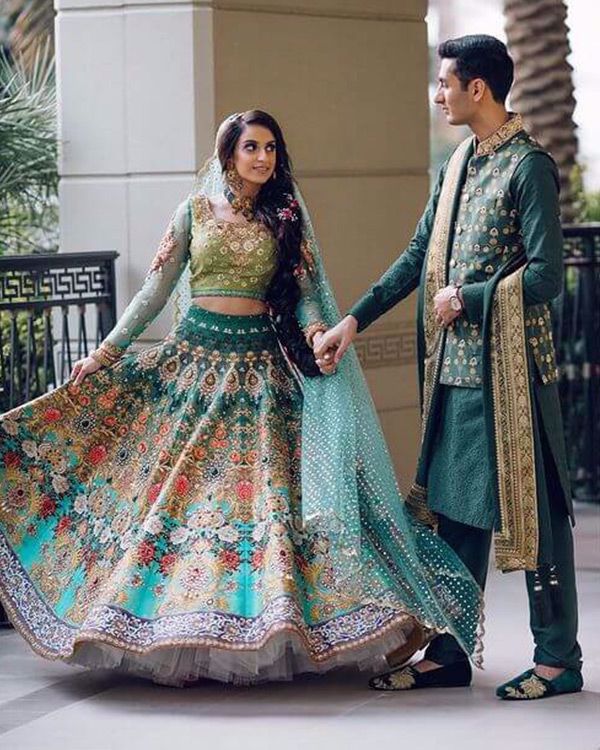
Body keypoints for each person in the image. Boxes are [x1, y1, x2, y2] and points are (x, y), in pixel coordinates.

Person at [0, 110, 483, 687]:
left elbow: (304, 297)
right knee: (173, 503)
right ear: (227, 153)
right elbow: (153, 293)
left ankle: (277, 628)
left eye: (271, 147)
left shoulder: (285, 217)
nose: (263, 157)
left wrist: (312, 334)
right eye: (251, 146)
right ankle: (165, 627)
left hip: (262, 379)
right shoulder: (194, 213)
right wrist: (103, 354)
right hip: (193, 372)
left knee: (264, 508)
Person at [315, 36, 583, 700]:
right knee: (455, 517)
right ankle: (451, 651)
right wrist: (354, 320)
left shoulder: (529, 168)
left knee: (538, 522)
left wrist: (470, 297)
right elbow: (416, 255)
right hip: (456, 378)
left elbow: (548, 278)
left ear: (477, 90)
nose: (437, 95)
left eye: (443, 84)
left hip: (515, 380)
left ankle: (558, 660)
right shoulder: (460, 163)